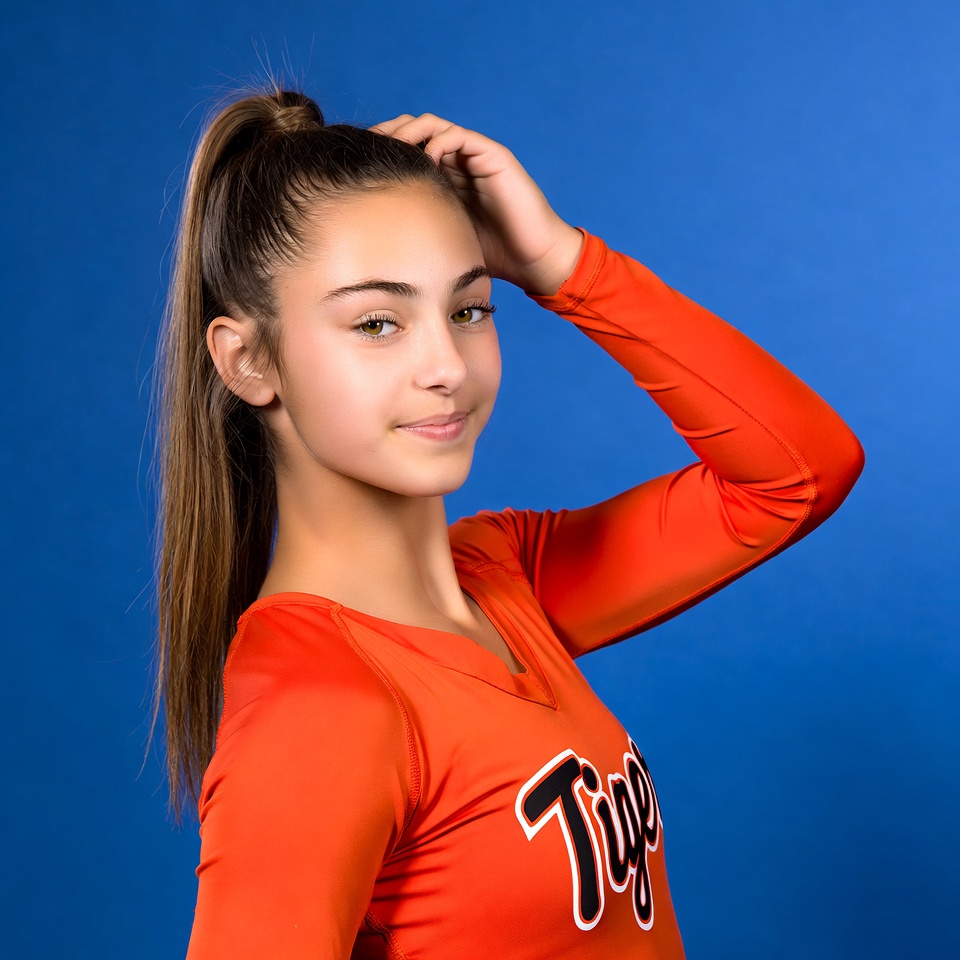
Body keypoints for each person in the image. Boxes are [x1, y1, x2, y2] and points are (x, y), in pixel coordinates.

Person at [153, 86, 864, 959]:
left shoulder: (507, 579)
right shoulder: (320, 704)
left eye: (469, 309)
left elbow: (799, 471)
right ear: (247, 359)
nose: (445, 365)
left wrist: (561, 262)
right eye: (377, 323)